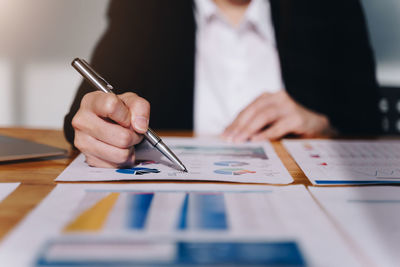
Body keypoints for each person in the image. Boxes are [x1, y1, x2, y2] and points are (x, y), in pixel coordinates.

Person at [64, 0, 381, 168]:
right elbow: (88, 113)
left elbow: (369, 119)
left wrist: (322, 123)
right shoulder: (145, 7)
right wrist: (101, 125)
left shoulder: (330, 6)